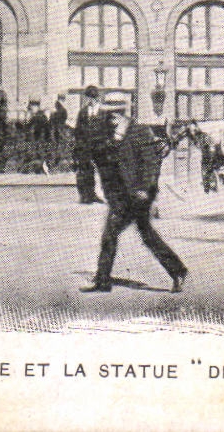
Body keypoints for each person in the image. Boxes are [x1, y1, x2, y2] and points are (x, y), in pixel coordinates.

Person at [82, 93, 187, 294]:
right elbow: (103, 159)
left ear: (124, 114)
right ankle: (103, 281)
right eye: (108, 115)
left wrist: (144, 189)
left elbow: (150, 164)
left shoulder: (140, 132)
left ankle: (178, 271)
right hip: (121, 196)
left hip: (139, 195)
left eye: (115, 114)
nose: (111, 119)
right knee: (113, 234)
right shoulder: (110, 134)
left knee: (144, 235)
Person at [71, 87, 105, 204]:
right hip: (85, 146)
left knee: (102, 171)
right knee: (85, 171)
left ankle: (96, 194)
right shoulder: (83, 112)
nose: (91, 100)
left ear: (97, 98)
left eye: (93, 98)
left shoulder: (103, 112)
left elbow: (107, 129)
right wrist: (79, 145)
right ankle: (86, 195)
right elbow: (78, 130)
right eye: (89, 98)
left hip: (100, 146)